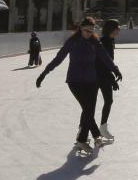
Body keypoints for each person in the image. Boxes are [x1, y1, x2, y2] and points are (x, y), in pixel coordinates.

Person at [36, 17, 122, 157]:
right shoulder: (72, 42)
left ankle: (86, 136)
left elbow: (105, 57)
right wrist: (44, 73)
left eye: (91, 30)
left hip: (92, 81)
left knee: (88, 111)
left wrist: (115, 69)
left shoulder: (95, 42)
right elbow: (59, 58)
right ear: (80, 28)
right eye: (86, 30)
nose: (89, 33)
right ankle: (85, 138)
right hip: (74, 81)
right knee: (88, 109)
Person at [96, 19, 121, 141]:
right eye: (117, 27)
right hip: (100, 75)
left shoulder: (108, 41)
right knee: (108, 100)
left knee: (92, 104)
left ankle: (83, 129)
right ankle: (102, 128)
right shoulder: (106, 42)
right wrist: (112, 78)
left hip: (101, 74)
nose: (119, 29)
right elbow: (103, 63)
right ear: (112, 29)